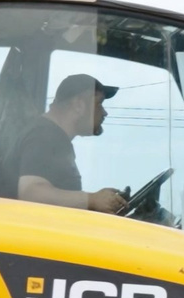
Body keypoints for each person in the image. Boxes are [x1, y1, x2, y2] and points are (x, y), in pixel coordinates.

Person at [11, 74, 129, 212]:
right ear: (78, 105)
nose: (104, 113)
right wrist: (91, 200)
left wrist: (100, 202)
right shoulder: (43, 136)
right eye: (99, 103)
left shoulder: (54, 137)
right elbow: (30, 192)